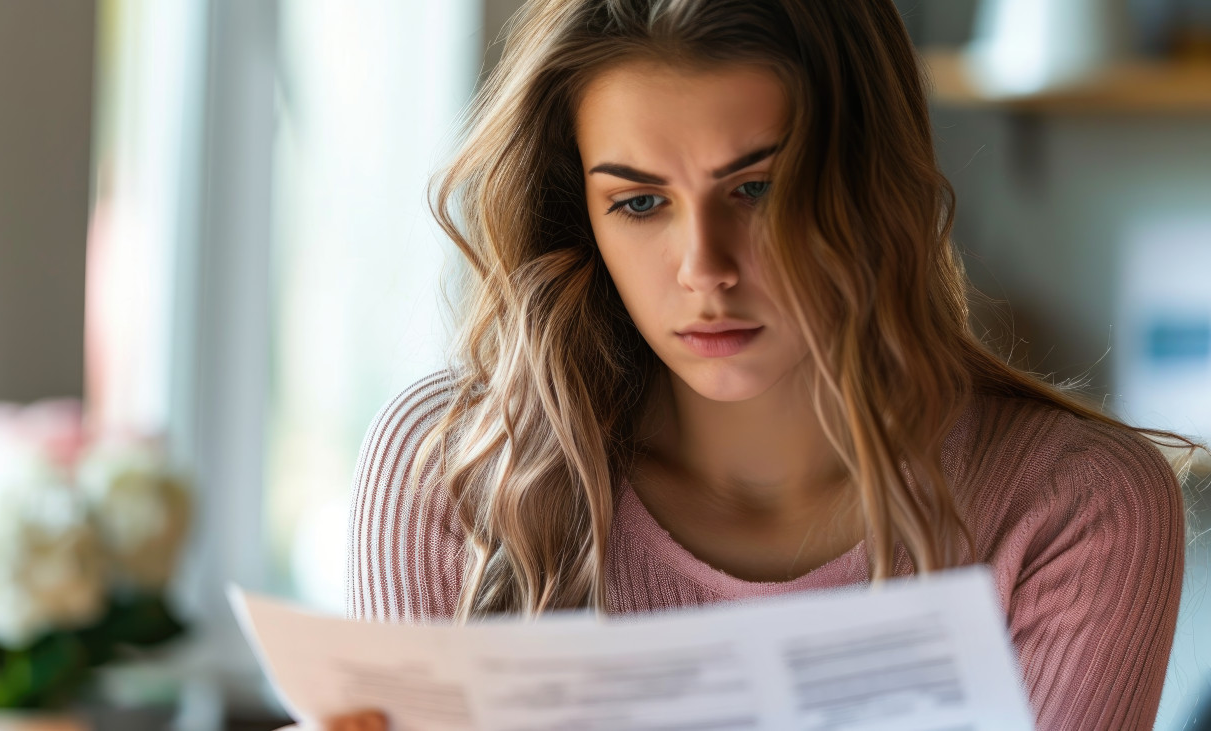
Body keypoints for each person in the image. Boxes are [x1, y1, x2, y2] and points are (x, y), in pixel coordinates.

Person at [287, 0, 1204, 729]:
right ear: (581, 217)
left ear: (870, 188)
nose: (704, 267)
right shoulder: (454, 466)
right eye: (641, 203)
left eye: (756, 188)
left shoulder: (1074, 509)